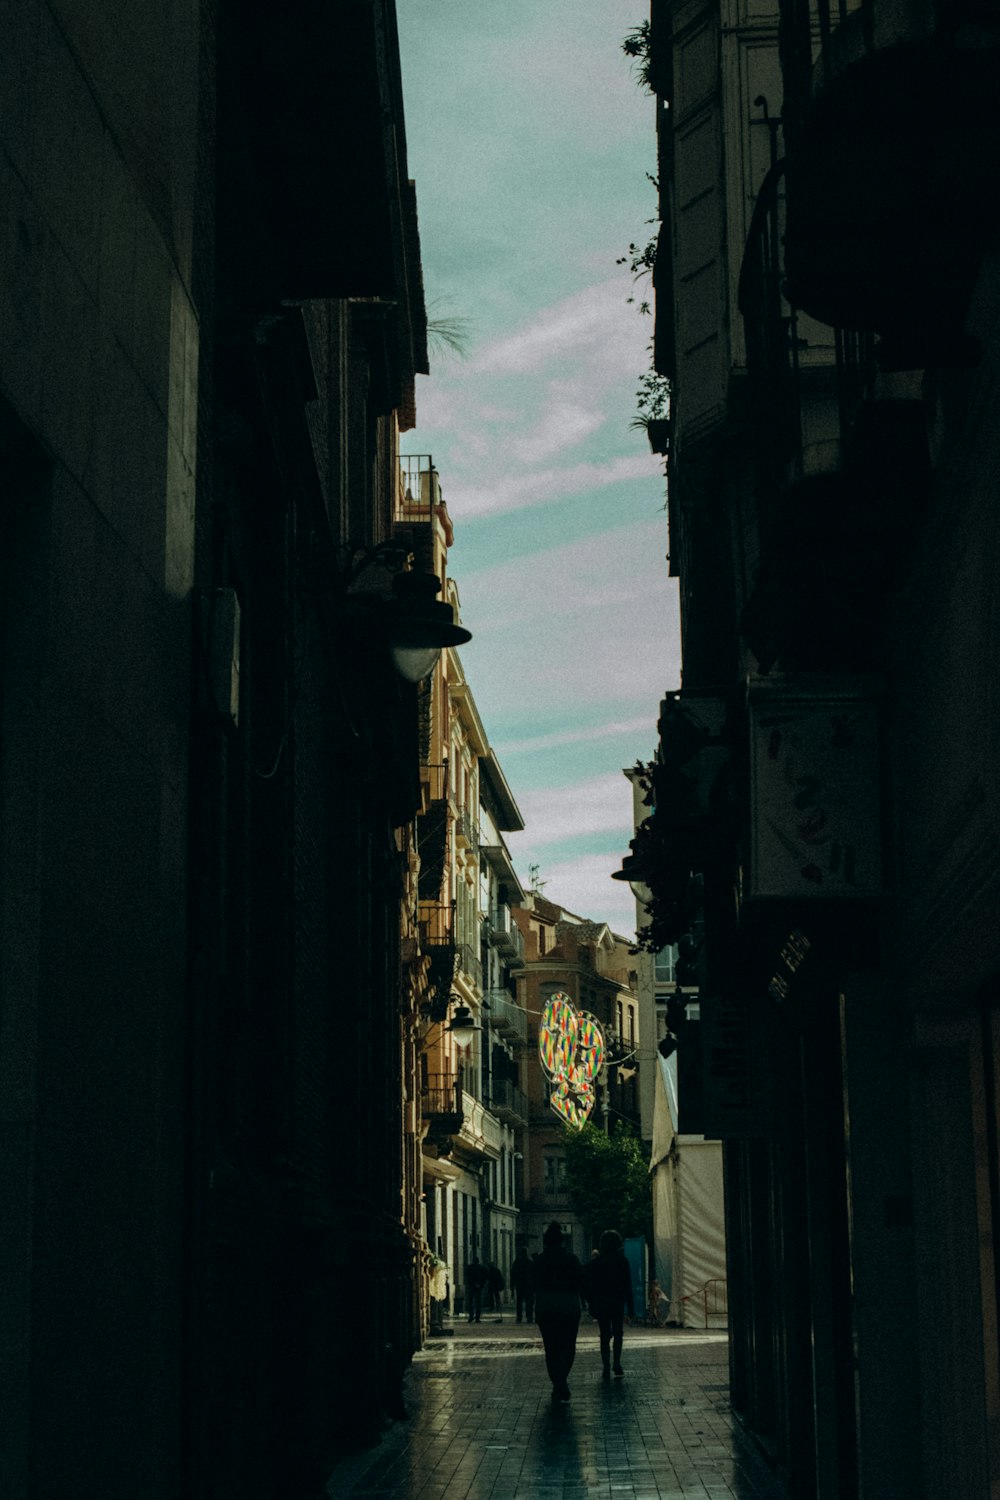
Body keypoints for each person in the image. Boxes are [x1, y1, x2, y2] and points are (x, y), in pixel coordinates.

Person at [532, 1222, 583, 1403]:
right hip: (568, 1306)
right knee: (568, 1346)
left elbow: (534, 1285)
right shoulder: (571, 1259)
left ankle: (558, 1384)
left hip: (546, 1307)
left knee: (551, 1348)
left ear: (546, 1241)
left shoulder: (539, 1260)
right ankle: (561, 1382)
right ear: (562, 1241)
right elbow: (580, 1282)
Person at [582, 1229, 635, 1379]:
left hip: (602, 1303)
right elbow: (627, 1286)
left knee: (604, 1335)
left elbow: (588, 1285)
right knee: (618, 1333)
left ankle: (605, 1366)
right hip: (617, 1302)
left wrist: (591, 1303)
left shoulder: (596, 1263)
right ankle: (617, 1363)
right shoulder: (622, 1261)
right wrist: (630, 1308)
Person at [511, 1248, 534, 1323]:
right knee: (529, 1302)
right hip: (529, 1284)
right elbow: (534, 1274)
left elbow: (513, 1274)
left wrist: (512, 1284)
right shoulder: (530, 1262)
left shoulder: (517, 1262)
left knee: (519, 1302)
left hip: (519, 1284)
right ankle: (529, 1316)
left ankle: (519, 1317)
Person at [466, 1257, 488, 1323]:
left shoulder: (469, 1267)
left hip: (471, 1286)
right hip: (479, 1287)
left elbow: (468, 1277)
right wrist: (480, 1284)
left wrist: (472, 1283)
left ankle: (471, 1316)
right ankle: (477, 1318)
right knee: (478, 1302)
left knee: (471, 1302)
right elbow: (485, 1277)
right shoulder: (482, 1268)